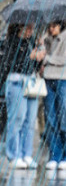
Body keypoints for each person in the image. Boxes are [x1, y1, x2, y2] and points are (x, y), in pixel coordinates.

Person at [2, 24, 44, 169]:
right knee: (17, 118)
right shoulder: (12, 42)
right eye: (27, 28)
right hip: (17, 82)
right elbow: (10, 65)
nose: (30, 31)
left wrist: (39, 55)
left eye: (32, 28)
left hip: (31, 83)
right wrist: (29, 56)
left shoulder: (31, 41)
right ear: (19, 27)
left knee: (30, 120)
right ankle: (14, 155)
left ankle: (27, 154)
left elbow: (35, 67)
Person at [42, 20, 66, 174]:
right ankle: (55, 155)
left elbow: (64, 59)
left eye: (54, 26)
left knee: (64, 117)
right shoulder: (46, 38)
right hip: (48, 79)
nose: (51, 29)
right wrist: (42, 44)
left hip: (64, 80)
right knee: (50, 119)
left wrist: (47, 58)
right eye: (49, 26)